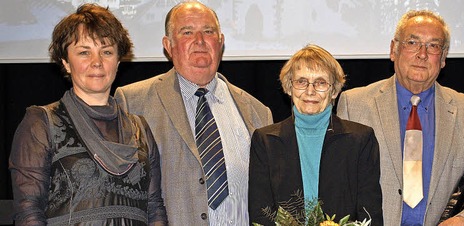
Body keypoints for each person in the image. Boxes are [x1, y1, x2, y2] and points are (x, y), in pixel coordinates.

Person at [114, 1, 273, 225]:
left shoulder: (257, 112)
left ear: (221, 41)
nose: (199, 41)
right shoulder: (133, 103)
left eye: (208, 31)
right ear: (168, 45)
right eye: (187, 32)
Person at [9, 4, 167, 225]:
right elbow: (28, 212)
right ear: (65, 61)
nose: (97, 62)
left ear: (118, 60)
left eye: (107, 51)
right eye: (84, 52)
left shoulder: (140, 129)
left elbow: (154, 208)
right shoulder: (41, 124)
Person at [337, 10, 464, 226]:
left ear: (444, 57)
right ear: (394, 50)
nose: (422, 54)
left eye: (433, 46)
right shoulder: (354, 105)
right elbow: (339, 183)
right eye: (413, 42)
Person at [248, 44, 383, 225]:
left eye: (320, 83)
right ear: (289, 87)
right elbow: (260, 214)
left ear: (334, 90)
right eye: (301, 81)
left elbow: (370, 214)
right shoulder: (265, 141)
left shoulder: (361, 140)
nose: (310, 91)